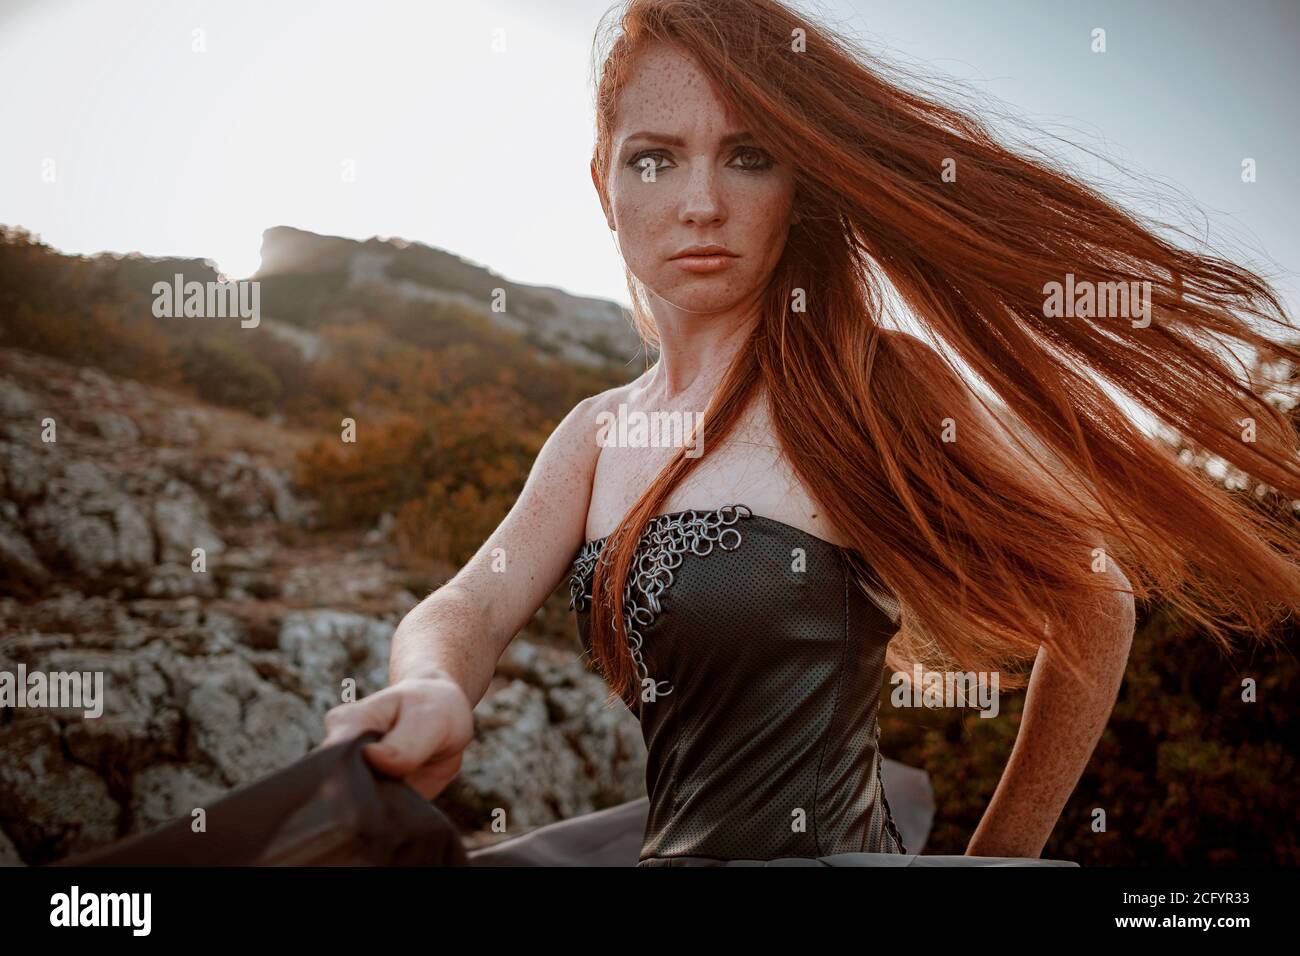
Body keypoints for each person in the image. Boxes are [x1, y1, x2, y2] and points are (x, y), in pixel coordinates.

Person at [320, 0, 1300, 865]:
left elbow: (1092, 601)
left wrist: (996, 860)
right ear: (601, 185)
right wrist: (435, 687)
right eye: (654, 158)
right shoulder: (595, 432)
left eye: (748, 155)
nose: (699, 201)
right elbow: (469, 608)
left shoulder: (867, 386)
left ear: (801, 179)